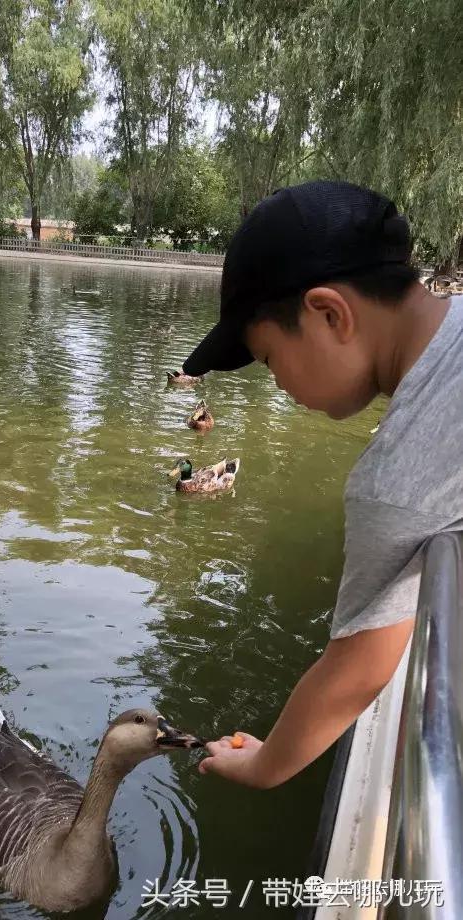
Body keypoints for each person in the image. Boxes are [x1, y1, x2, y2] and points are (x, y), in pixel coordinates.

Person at [182, 180, 463, 787]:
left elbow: (357, 669)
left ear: (330, 314)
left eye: (270, 360)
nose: (279, 384)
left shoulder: (397, 476)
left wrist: (263, 766)